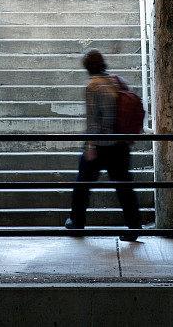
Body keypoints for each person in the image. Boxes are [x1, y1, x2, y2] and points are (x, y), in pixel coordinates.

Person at [65, 49, 142, 241]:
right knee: (124, 187)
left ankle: (77, 222)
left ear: (87, 68)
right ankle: (134, 227)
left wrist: (90, 146)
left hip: (100, 145)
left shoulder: (93, 86)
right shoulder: (117, 80)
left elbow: (93, 121)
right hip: (120, 144)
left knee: (82, 184)